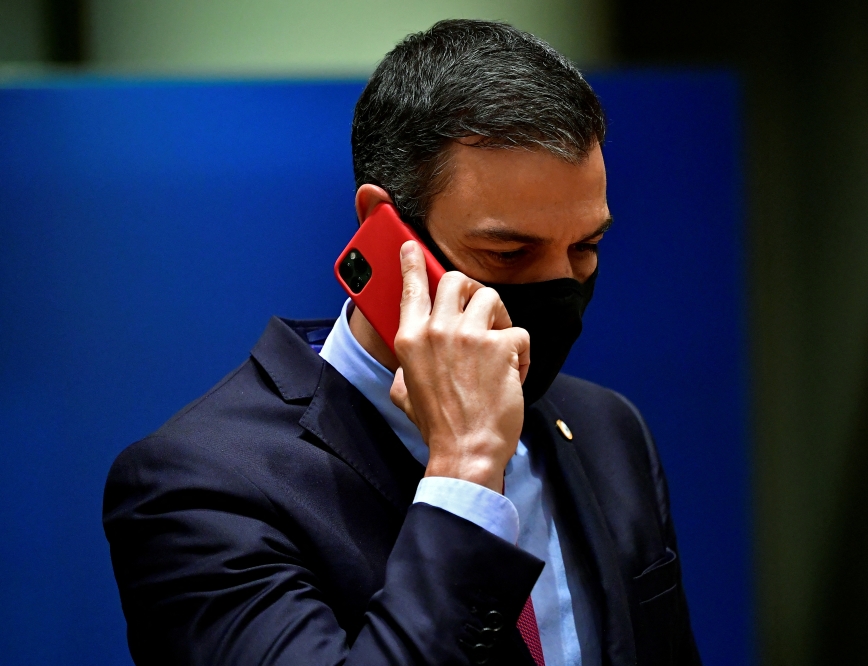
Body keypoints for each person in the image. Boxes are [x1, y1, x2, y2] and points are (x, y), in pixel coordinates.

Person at [103, 19, 700, 666]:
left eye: (585, 250)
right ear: (383, 231)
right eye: (506, 252)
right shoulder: (201, 487)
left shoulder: (609, 430)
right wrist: (466, 473)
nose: (556, 293)